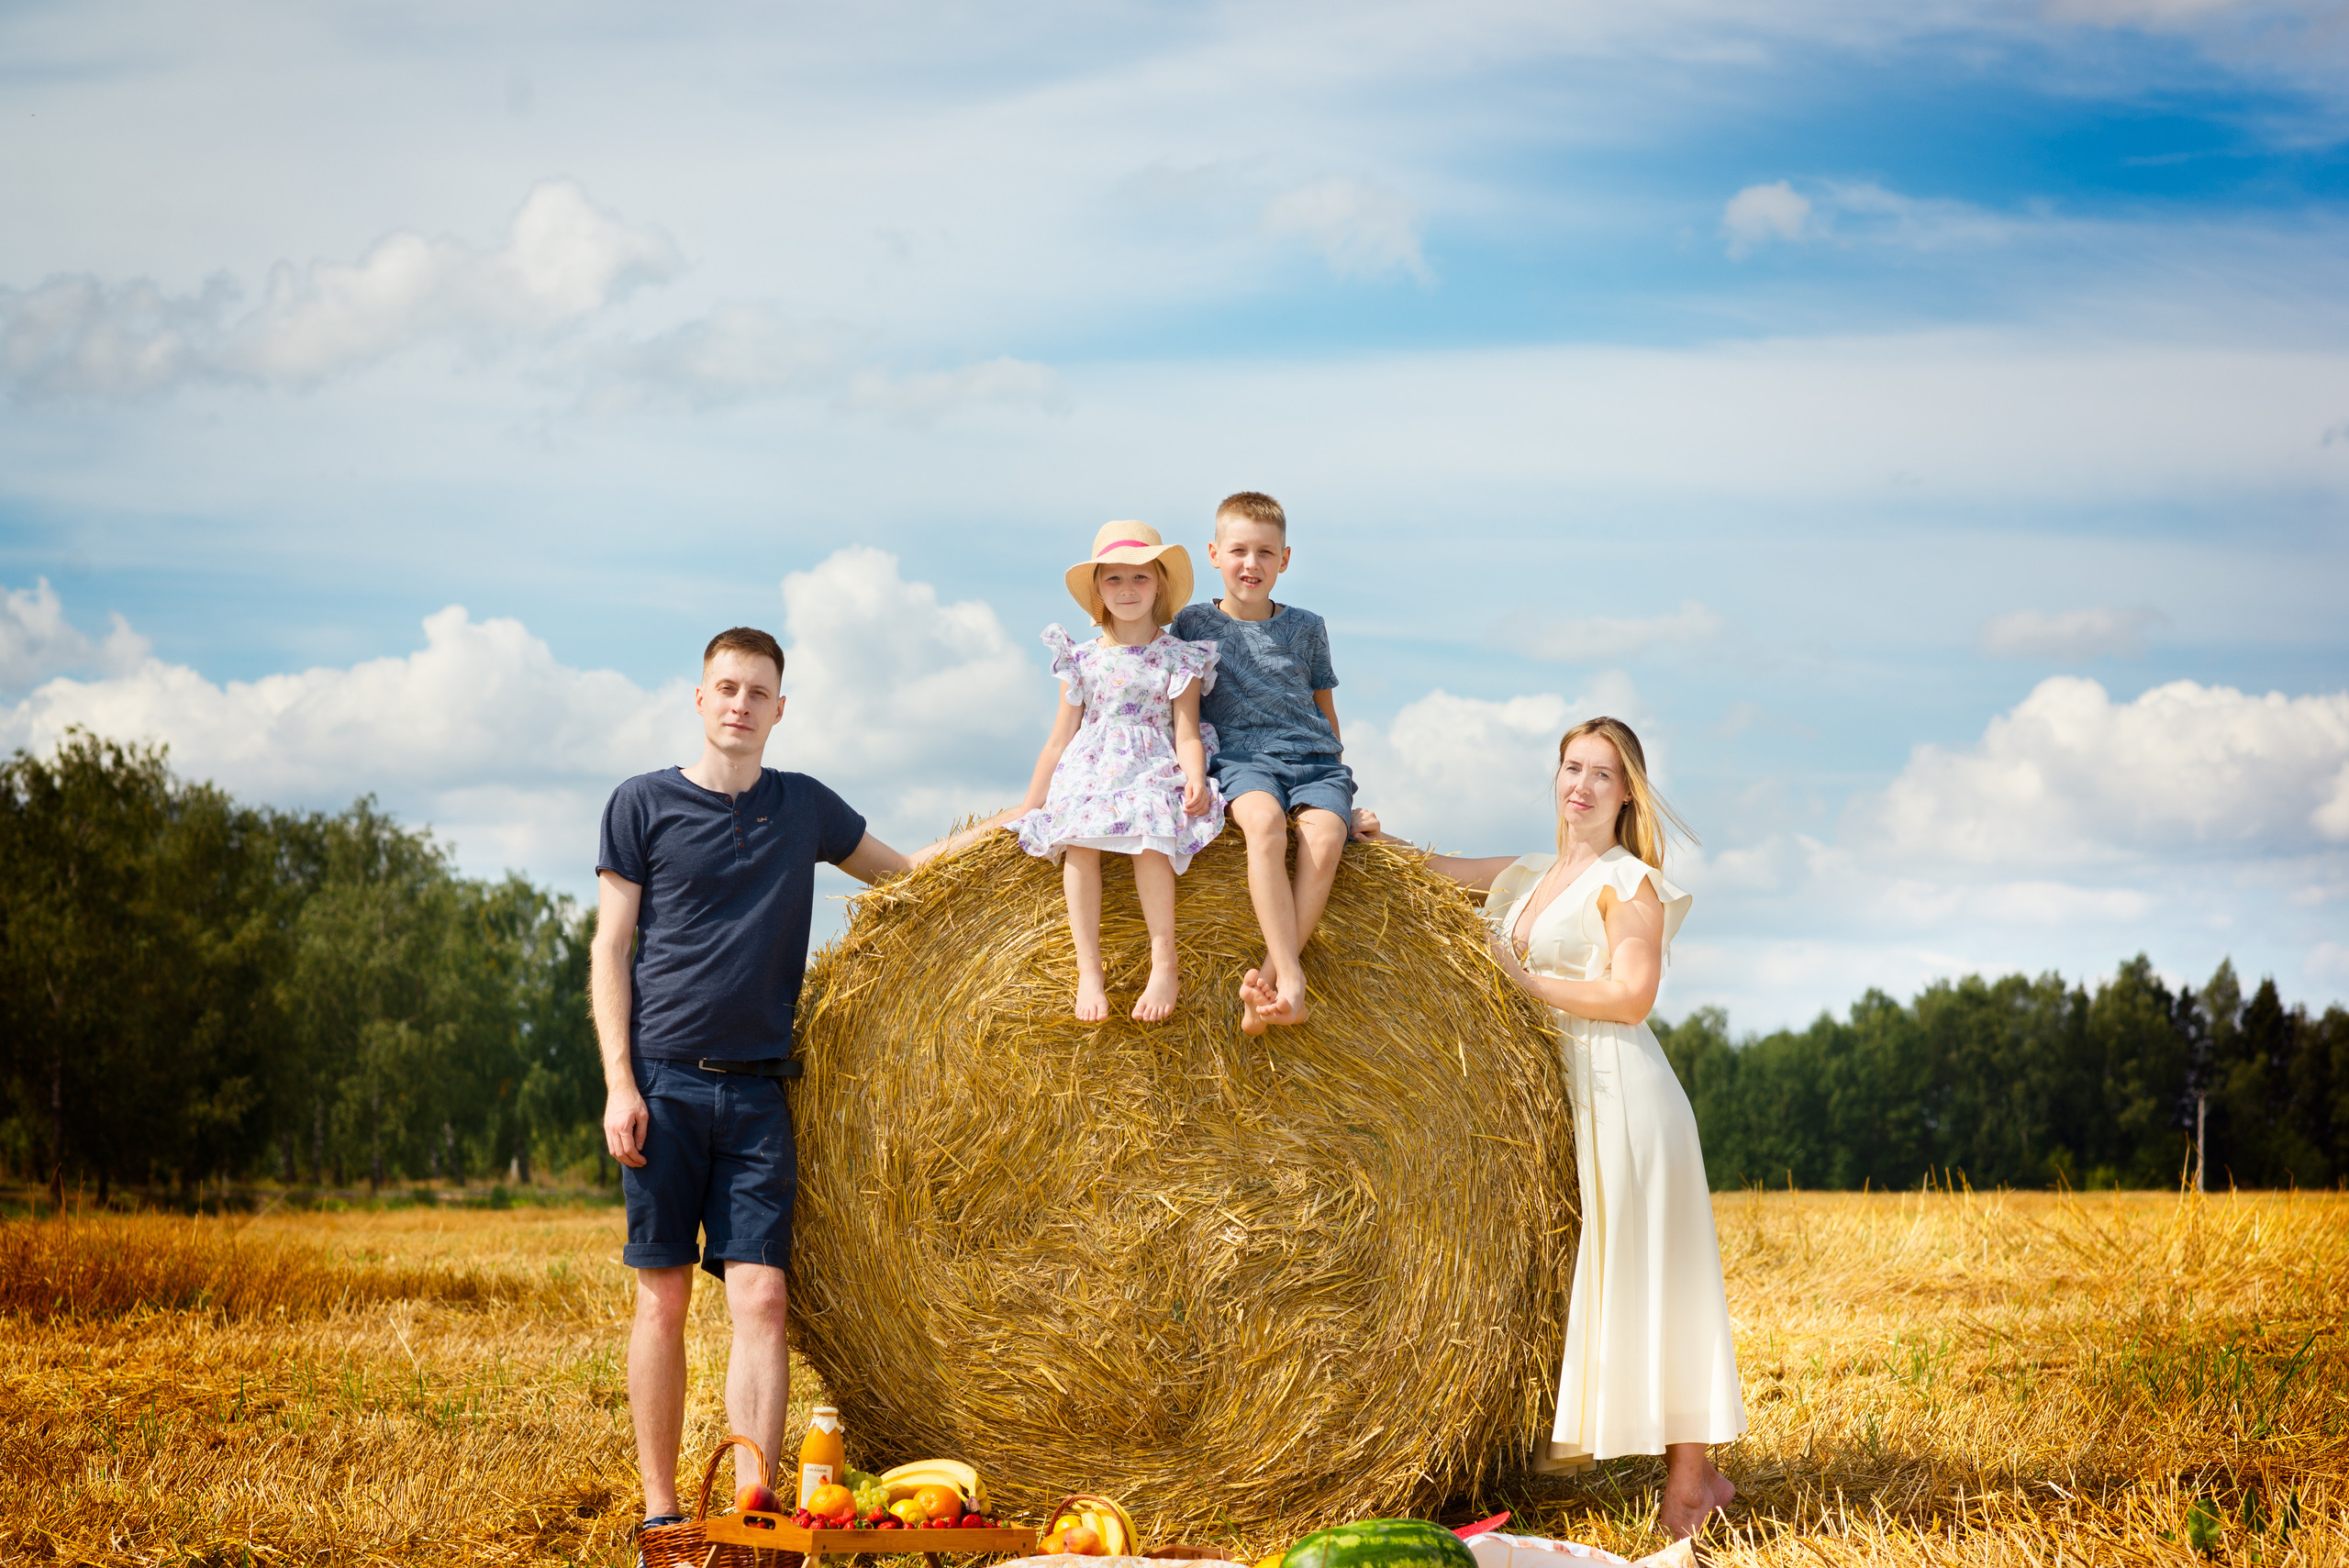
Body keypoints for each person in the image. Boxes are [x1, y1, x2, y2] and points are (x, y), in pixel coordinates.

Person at [594, 626, 988, 1551]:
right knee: (663, 1296)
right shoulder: (641, 803)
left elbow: (906, 875)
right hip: (662, 1083)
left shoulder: (803, 806)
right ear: (700, 698)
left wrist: (1014, 833)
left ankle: (751, 1515)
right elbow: (612, 947)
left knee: (763, 1297)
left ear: (780, 707)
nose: (739, 702)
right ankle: (660, 1511)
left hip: (763, 1091)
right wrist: (620, 1079)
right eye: (725, 686)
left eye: (757, 690)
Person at [1353, 717, 1745, 1540]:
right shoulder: (1528, 874)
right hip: (1561, 1099)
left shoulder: (1627, 879)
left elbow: (1632, 995)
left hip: (1624, 1093)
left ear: (1627, 792)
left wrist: (1522, 981)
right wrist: (1362, 833)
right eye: (1573, 767)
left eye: (1604, 774)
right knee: (1601, 1273)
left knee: (1658, 1278)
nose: (1584, 785)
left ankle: (1691, 1479)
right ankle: (1689, 1468)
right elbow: (1426, 871)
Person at [1010, 522, 1225, 1022]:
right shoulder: (1081, 660)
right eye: (1114, 580)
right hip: (1092, 767)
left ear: (1159, 586)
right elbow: (1059, 739)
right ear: (1097, 590)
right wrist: (1029, 808)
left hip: (1152, 762)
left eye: (1140, 578)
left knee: (1152, 834)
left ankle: (1163, 959)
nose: (1127, 591)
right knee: (1080, 842)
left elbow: (1188, 730)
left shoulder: (1179, 658)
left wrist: (1194, 776)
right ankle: (1090, 969)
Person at [1168, 491, 1352, 1033]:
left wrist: (1345, 794)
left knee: (1323, 839)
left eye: (1266, 553)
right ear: (1214, 553)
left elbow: (1325, 709)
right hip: (1243, 760)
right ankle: (1292, 981)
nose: (1252, 564)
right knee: (1265, 826)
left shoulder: (1308, 627)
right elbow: (1178, 707)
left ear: (1285, 559)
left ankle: (1270, 986)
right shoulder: (1192, 623)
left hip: (1315, 761)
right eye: (1240, 551)